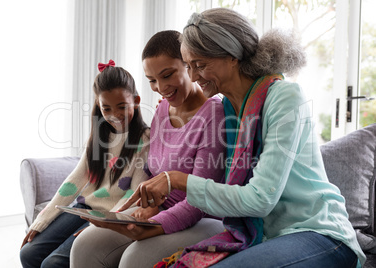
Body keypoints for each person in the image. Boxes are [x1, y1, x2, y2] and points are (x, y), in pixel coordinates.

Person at [119, 8, 366, 268]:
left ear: (233, 57)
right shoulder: (226, 109)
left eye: (200, 66)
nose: (192, 77)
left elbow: (260, 199)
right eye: (189, 66)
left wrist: (179, 180)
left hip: (318, 231)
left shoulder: (285, 98)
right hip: (263, 235)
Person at [70, 30, 227, 268]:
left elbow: (201, 199)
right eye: (152, 80)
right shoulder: (163, 110)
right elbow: (155, 174)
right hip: (158, 208)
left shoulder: (214, 115)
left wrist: (154, 224)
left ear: (189, 66)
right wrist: (148, 206)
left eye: (167, 75)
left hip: (203, 217)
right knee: (85, 246)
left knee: (134, 260)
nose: (161, 87)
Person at [20, 60, 151, 268]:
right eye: (106, 108)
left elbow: (133, 194)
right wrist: (42, 221)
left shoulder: (145, 139)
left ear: (136, 101)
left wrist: (99, 226)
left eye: (122, 107)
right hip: (84, 208)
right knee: (28, 254)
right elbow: (74, 181)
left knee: (52, 264)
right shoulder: (99, 136)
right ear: (98, 105)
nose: (114, 116)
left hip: (111, 215)